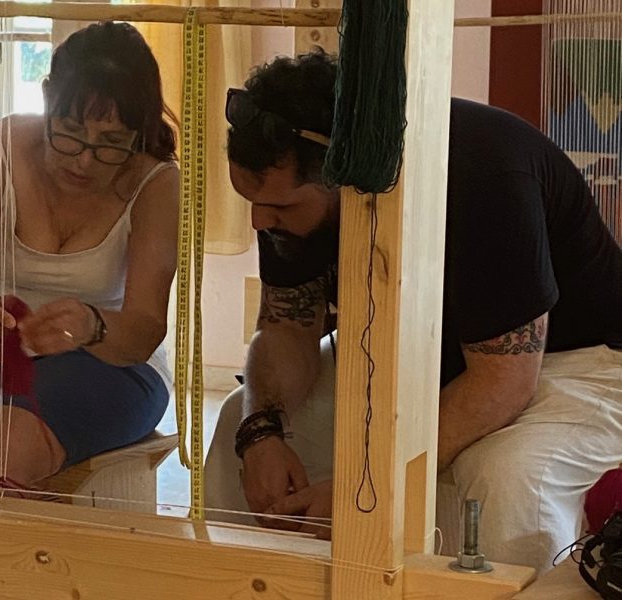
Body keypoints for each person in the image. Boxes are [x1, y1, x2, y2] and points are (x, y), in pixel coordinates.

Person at [204, 48, 622, 573]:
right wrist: (260, 430)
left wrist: (369, 487)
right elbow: (287, 326)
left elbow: (505, 381)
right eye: (251, 201)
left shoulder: (484, 168)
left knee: (506, 477)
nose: (259, 221)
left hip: (579, 363)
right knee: (233, 430)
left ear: (344, 176)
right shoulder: (282, 197)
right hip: (418, 352)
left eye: (281, 207)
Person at [0, 22, 180, 489]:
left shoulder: (156, 183)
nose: (84, 160)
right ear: (46, 100)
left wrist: (91, 325)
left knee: (1, 447)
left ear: (138, 134)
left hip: (109, 360)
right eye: (68, 132)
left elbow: (143, 331)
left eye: (111, 142)